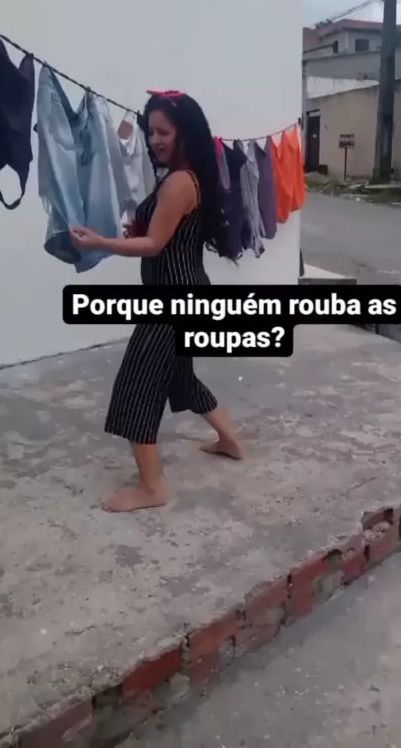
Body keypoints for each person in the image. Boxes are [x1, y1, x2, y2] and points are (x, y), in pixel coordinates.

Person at [70, 91, 243, 513]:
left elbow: (154, 245)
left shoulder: (180, 182)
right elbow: (161, 236)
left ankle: (152, 488)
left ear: (185, 132)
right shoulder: (187, 177)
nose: (154, 140)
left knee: (136, 388)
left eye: (163, 132)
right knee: (180, 379)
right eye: (151, 132)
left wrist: (102, 242)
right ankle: (230, 441)